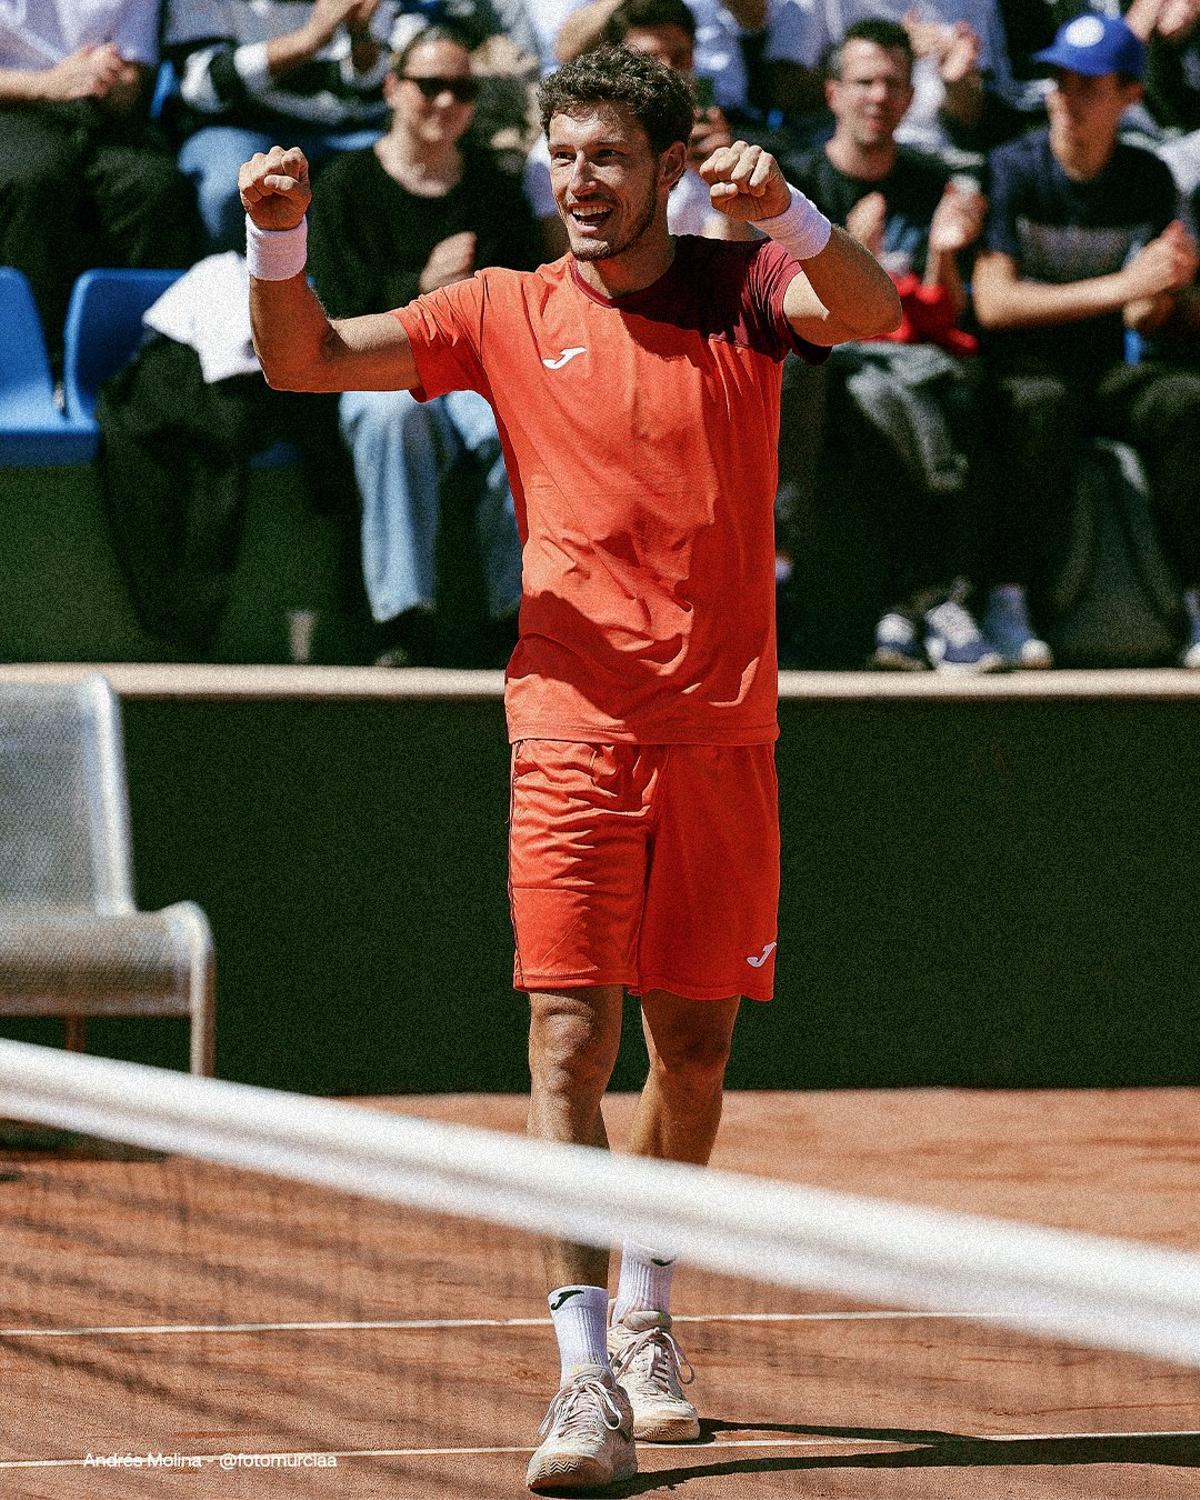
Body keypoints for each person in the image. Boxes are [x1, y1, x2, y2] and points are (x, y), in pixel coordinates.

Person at [240, 45, 899, 1490]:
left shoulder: (745, 289)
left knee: (694, 1053)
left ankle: (652, 1318)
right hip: (569, 727)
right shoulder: (499, 307)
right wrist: (278, 237)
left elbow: (874, 309)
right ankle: (583, 1371)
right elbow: (302, 359)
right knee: (563, 1041)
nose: (580, 183)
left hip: (721, 732)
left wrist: (789, 210)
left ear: (667, 167)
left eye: (607, 157)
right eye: (562, 156)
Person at [973, 12, 1200, 667]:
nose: (1067, 99)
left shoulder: (1147, 177)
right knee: (1039, 406)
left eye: (1089, 86)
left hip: (1103, 372)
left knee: (1185, 401)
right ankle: (1007, 601)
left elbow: (1144, 316)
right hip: (1022, 371)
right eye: (1060, 82)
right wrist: (1126, 285)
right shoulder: (1013, 167)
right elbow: (994, 304)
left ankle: (1193, 603)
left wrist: (1170, 289)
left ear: (1130, 96)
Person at [308, 26, 539, 664]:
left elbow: (523, 298)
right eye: (429, 86)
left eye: (461, 90)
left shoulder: (492, 190)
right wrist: (424, 288)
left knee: (521, 424)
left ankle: (520, 620)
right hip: (379, 371)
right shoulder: (347, 184)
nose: (445, 102)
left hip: (473, 374)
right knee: (392, 417)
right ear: (392, 88)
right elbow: (337, 310)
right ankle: (402, 621)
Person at [784, 19, 1003, 671]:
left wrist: (945, 255)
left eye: (893, 84)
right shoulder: (796, 185)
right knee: (864, 398)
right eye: (863, 82)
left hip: (917, 353)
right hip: (833, 354)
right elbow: (781, 311)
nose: (878, 96)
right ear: (833, 93)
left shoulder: (933, 180)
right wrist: (849, 255)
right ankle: (916, 600)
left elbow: (951, 315)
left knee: (970, 391)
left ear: (911, 97)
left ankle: (921, 607)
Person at [0, 0, 201, 363]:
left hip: (95, 111)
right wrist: (48, 84)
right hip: (12, 108)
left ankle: (139, 365)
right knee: (34, 182)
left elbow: (133, 77)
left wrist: (115, 83)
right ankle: (27, 362)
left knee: (154, 188)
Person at [163, 0, 397, 252]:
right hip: (236, 127)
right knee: (228, 188)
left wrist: (361, 39)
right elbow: (201, 87)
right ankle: (230, 273)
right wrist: (307, 40)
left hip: (342, 131)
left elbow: (375, 97)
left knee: (389, 173)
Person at [523, 0, 750, 256]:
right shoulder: (558, 151)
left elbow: (728, 261)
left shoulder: (711, 140)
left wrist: (725, 184)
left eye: (679, 58)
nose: (668, 72)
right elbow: (573, 263)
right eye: (650, 60)